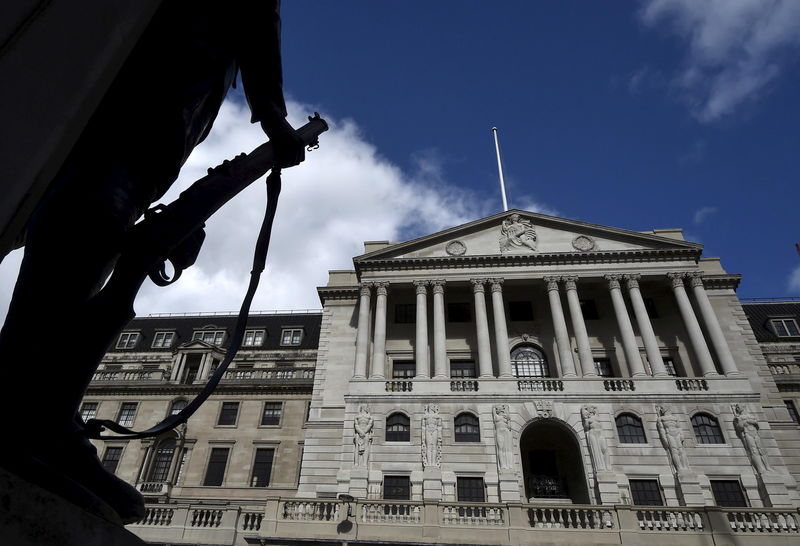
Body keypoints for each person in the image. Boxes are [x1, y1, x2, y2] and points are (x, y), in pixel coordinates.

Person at [0, 0, 305, 524]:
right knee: (94, 207)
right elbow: (255, 9)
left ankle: (35, 410)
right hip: (161, 76)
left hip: (164, 93)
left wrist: (157, 238)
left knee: (97, 223)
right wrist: (273, 114)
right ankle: (28, 417)